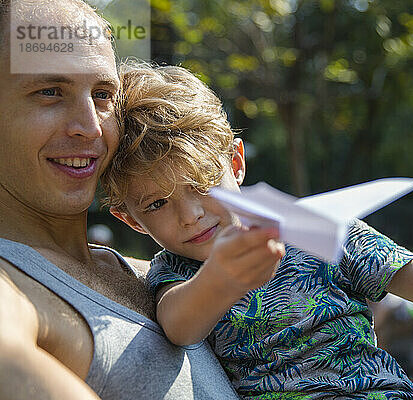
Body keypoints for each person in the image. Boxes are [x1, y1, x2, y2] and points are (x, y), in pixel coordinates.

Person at [103, 61, 413, 400]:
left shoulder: (312, 227)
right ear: (130, 219)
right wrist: (222, 279)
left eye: (202, 184)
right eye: (158, 203)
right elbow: (178, 324)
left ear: (236, 162)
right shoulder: (173, 273)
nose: (191, 216)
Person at [0, 1, 238, 399]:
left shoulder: (163, 275)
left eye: (103, 93)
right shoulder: (10, 285)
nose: (90, 127)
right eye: (49, 91)